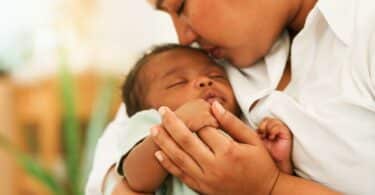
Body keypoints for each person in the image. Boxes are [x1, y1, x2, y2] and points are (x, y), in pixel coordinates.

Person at [87, 0, 375, 194]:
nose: (184, 36)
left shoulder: (364, 36)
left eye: (181, 5)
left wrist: (271, 186)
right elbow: (114, 171)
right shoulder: (199, 61)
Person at [120, 44, 293, 194]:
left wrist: (277, 161)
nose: (204, 81)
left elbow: (266, 187)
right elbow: (136, 178)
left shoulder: (243, 128)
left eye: (216, 75)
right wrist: (175, 126)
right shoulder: (152, 121)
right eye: (178, 82)